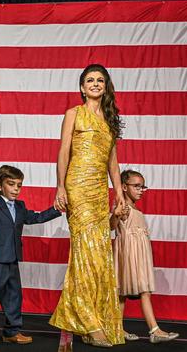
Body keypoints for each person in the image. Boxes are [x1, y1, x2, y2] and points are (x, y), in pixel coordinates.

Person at [49, 64, 126, 349]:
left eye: (100, 81)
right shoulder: (74, 113)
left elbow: (113, 162)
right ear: (82, 87)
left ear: (105, 87)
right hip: (77, 188)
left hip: (98, 191)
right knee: (84, 252)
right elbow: (63, 151)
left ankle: (94, 320)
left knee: (99, 256)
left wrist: (118, 193)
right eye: (90, 80)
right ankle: (89, 324)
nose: (95, 84)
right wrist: (60, 186)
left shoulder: (109, 119)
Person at [0, 165, 61, 346]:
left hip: (13, 259)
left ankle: (11, 331)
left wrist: (56, 209)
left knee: (14, 296)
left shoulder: (20, 206)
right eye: (11, 184)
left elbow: (36, 217)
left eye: (19, 185)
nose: (16, 189)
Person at [110, 170, 179, 344]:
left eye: (143, 187)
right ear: (124, 187)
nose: (141, 190)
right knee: (143, 291)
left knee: (122, 294)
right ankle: (154, 330)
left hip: (139, 253)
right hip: (129, 253)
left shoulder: (133, 207)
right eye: (137, 186)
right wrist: (116, 214)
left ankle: (116, 329)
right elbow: (111, 226)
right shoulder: (123, 206)